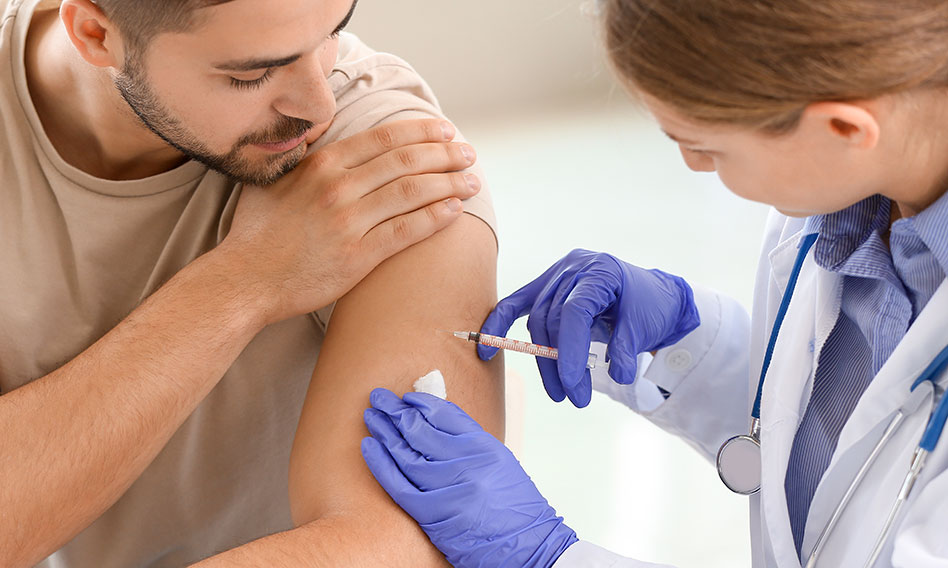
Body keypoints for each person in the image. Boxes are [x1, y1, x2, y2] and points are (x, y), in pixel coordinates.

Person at [0, 0, 504, 566]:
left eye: (333, 31)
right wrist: (246, 280)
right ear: (95, 32)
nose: (318, 103)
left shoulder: (392, 161)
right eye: (250, 74)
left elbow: (408, 540)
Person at [362, 0, 948, 566]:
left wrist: (548, 557)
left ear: (844, 128)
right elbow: (850, 411)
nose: (694, 167)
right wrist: (687, 343)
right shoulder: (843, 199)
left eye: (706, 149)